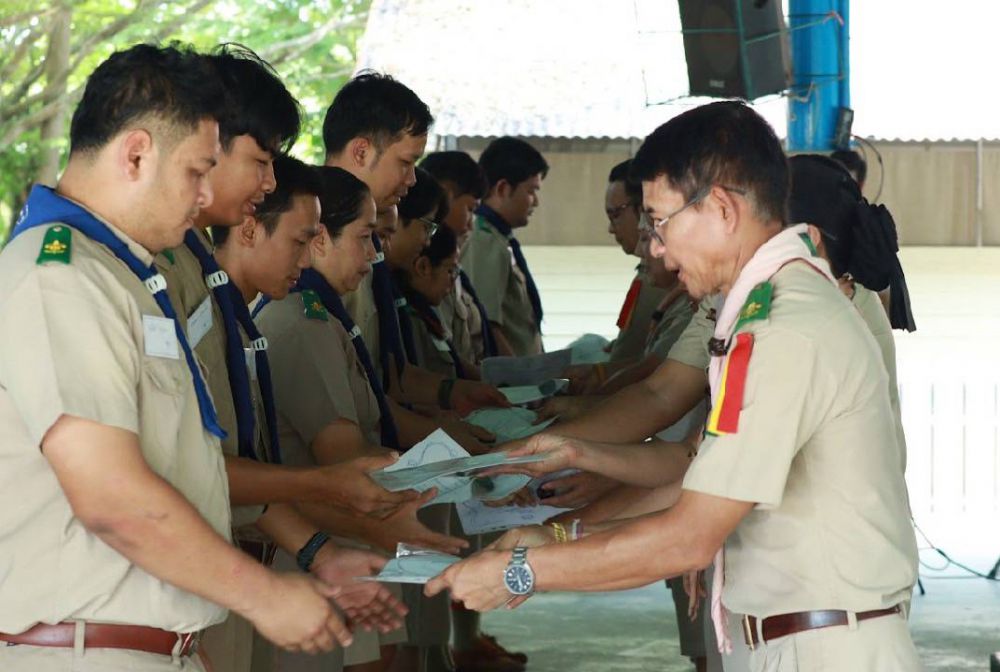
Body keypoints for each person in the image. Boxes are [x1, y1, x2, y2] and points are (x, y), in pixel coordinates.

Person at [427, 101, 921, 671]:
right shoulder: (765, 313)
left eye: (660, 222)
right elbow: (698, 475)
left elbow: (691, 535)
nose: (655, 247)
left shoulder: (785, 330)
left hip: (826, 648)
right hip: (796, 638)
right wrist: (560, 531)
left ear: (721, 209)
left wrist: (522, 571)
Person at [0, 43, 351, 672]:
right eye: (196, 171)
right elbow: (111, 497)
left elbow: (184, 470)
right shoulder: (60, 275)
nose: (205, 194)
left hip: (139, 646)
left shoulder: (128, 277)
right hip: (83, 652)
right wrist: (264, 595)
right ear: (136, 154)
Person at [153, 47, 411, 672]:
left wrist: (319, 550)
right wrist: (323, 490)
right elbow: (158, 474)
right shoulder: (121, 273)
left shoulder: (199, 279)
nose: (268, 183)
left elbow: (219, 460)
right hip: (169, 597)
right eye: (261, 160)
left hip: (225, 577)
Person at [254, 165, 469, 672]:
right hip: (316, 546)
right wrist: (445, 482)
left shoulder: (325, 315)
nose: (374, 255)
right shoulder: (302, 324)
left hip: (343, 538)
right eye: (365, 237)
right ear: (319, 239)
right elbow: (344, 461)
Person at [322, 72, 505, 448]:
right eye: (405, 163)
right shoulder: (318, 241)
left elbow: (385, 375)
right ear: (361, 152)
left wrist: (452, 391)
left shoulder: (371, 245)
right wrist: (448, 441)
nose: (411, 180)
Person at [461, 137, 548, 357]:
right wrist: (517, 372)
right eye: (531, 191)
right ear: (502, 188)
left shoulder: (500, 238)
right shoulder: (484, 241)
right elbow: (488, 326)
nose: (536, 202)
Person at [420, 150, 496, 365]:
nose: (470, 225)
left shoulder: (453, 267)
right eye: (470, 209)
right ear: (445, 195)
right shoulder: (429, 270)